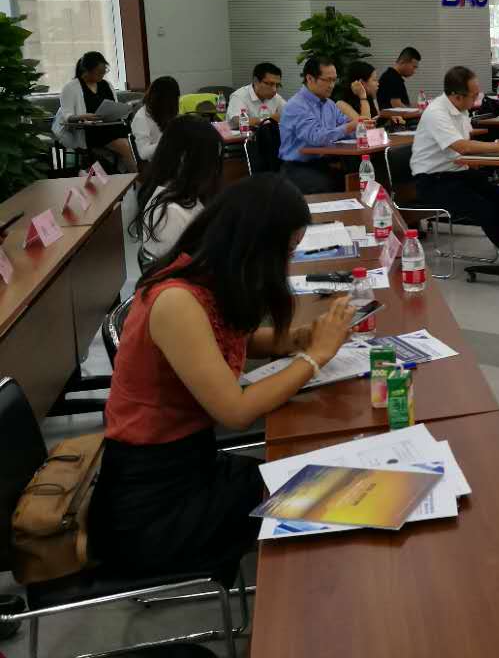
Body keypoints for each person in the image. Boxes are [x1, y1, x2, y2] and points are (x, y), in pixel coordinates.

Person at [89, 176, 356, 587]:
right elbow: (235, 411)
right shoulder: (177, 300)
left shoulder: (206, 277)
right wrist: (315, 356)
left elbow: (236, 340)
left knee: (314, 483)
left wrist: (297, 340)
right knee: (318, 499)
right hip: (154, 502)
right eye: (284, 253)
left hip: (191, 466)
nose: (285, 267)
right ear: (253, 245)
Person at [412, 66, 499, 255]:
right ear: (457, 96)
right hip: (433, 181)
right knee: (485, 208)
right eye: (474, 96)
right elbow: (462, 147)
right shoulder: (436, 113)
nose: (477, 100)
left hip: (458, 174)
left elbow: (467, 147)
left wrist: (498, 148)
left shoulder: (461, 109)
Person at [130, 115, 222, 258]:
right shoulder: (171, 214)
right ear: (184, 158)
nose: (214, 169)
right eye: (211, 160)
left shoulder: (178, 194)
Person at [278, 56, 360, 193]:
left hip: (323, 163)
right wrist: (350, 126)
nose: (332, 85)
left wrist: (361, 129)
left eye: (334, 80)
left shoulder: (329, 104)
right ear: (310, 78)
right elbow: (316, 137)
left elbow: (346, 127)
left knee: (358, 177)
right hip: (297, 167)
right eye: (327, 80)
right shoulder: (296, 105)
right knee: (332, 185)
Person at [52, 50, 137, 172]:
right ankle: (138, 177)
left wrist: (123, 110)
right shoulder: (70, 88)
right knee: (125, 146)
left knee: (134, 139)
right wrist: (83, 116)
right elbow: (67, 116)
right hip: (89, 130)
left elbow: (114, 106)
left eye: (104, 71)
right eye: (99, 72)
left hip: (111, 125)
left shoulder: (106, 85)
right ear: (87, 70)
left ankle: (131, 174)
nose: (102, 75)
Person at [131, 75, 180, 162]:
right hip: (156, 164)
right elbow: (143, 153)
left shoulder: (167, 112)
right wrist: (169, 142)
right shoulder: (141, 118)